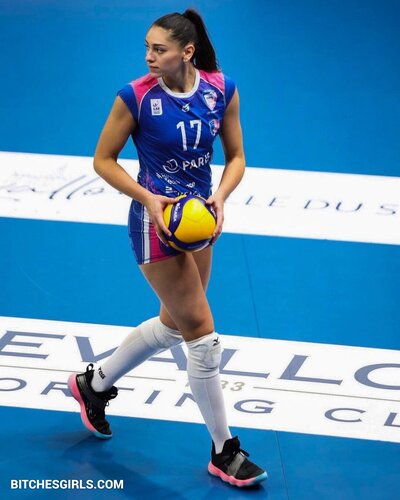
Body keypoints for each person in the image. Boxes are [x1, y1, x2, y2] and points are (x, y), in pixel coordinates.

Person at [68, 9, 267, 488]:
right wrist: (149, 199)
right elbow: (103, 160)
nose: (149, 57)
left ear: (187, 52)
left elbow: (237, 157)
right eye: (147, 48)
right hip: (153, 222)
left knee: (175, 324)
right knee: (201, 332)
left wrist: (220, 196)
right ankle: (224, 450)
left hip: (198, 222)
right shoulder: (135, 97)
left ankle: (93, 384)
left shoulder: (221, 90)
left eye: (159, 49)